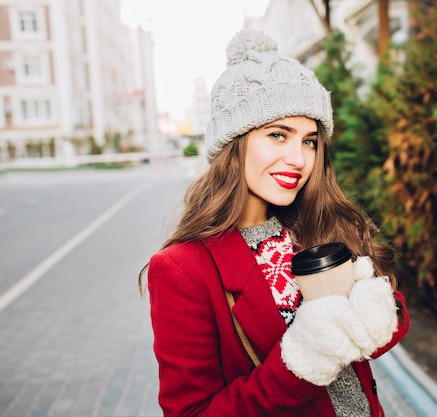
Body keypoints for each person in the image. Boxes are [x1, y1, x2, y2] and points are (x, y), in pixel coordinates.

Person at [140, 29, 410, 417]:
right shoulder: (183, 270)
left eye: (309, 141)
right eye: (278, 135)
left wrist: (377, 312)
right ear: (235, 142)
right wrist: (301, 360)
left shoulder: (315, 225)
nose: (299, 159)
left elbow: (391, 316)